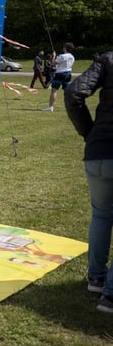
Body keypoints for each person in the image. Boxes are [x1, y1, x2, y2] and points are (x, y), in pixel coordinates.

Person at [64, 51, 113, 313]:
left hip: (98, 153)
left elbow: (73, 93)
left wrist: (90, 133)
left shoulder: (107, 59)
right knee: (102, 215)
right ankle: (110, 295)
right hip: (98, 147)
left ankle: (97, 277)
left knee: (102, 215)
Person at [43, 42, 74, 111]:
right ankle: (70, 107)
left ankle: (50, 107)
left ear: (65, 48)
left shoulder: (62, 56)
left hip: (60, 74)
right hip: (68, 74)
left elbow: (53, 63)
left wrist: (54, 56)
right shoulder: (72, 57)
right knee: (67, 92)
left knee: (54, 91)